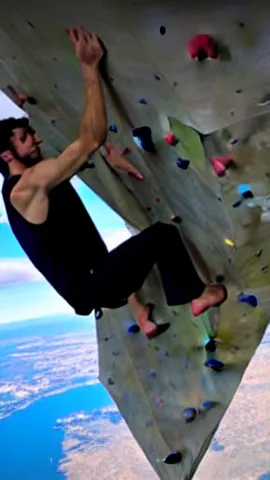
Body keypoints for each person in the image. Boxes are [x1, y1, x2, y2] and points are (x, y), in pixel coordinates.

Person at [0, 26, 227, 338]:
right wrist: (89, 69)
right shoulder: (24, 189)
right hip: (95, 284)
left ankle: (169, 302)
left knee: (155, 242)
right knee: (163, 236)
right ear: (6, 156)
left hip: (99, 280)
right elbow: (90, 139)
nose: (37, 140)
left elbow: (79, 155)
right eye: (25, 139)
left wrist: (29, 106)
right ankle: (196, 296)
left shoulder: (37, 182)